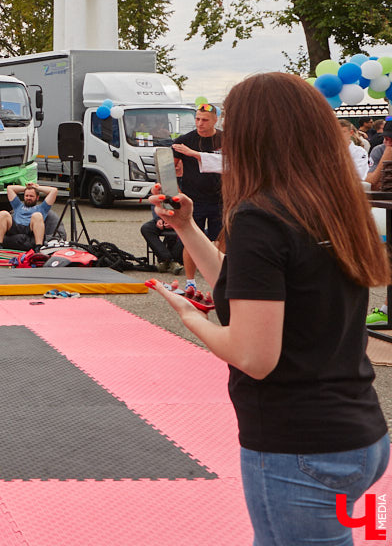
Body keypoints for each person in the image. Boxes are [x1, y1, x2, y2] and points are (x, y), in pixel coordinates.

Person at [147, 72, 389, 544]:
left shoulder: (262, 217)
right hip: (362, 439)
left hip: (300, 448)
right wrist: (187, 228)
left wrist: (189, 317)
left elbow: (254, 355)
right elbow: (248, 288)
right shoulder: (333, 205)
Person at [171, 103, 223, 282]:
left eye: (205, 120)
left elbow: (233, 165)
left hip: (220, 199)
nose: (200, 124)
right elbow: (168, 168)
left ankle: (220, 280)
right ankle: (190, 281)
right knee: (191, 241)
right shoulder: (184, 140)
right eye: (197, 119)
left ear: (216, 120)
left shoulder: (226, 139)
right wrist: (176, 192)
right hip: (194, 199)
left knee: (221, 242)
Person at [0, 182, 58, 251]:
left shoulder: (43, 208)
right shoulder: (18, 205)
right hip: (15, 227)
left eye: (31, 196)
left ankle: (38, 247)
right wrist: (27, 188)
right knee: (3, 213)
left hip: (30, 229)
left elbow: (54, 191)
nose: (28, 198)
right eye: (26, 196)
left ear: (37, 197)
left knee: (37, 215)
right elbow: (10, 188)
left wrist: (36, 187)